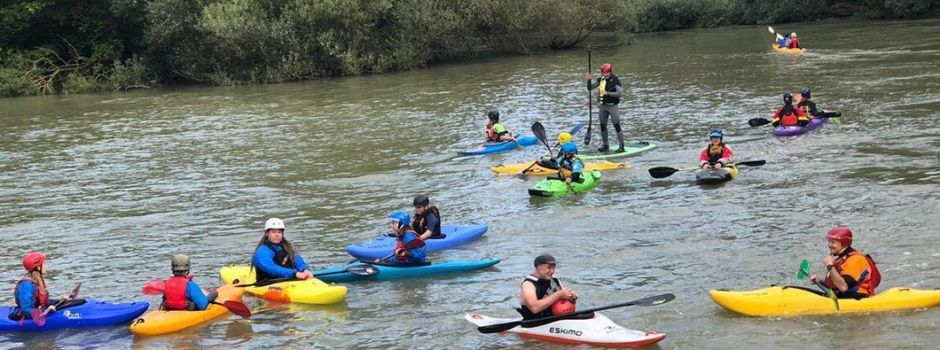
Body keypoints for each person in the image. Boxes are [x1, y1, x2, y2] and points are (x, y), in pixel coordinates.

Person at [810, 227, 881, 298]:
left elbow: (843, 287)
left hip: (856, 299)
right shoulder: (842, 258)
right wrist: (820, 281)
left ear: (843, 243)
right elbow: (835, 285)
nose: (829, 245)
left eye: (833, 242)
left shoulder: (855, 260)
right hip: (841, 297)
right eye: (829, 242)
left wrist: (830, 266)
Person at [10, 252, 73, 321]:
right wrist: (44, 311)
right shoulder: (26, 286)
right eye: (44, 264)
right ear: (38, 267)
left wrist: (60, 301)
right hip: (26, 316)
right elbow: (26, 310)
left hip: (37, 310)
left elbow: (41, 302)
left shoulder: (37, 281)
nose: (46, 266)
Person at [251, 218, 314, 282]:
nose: (277, 235)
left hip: (291, 278)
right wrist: (294, 273)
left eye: (279, 232)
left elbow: (298, 260)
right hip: (269, 282)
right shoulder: (262, 251)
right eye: (273, 232)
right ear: (267, 233)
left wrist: (305, 269)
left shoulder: (289, 247)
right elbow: (271, 268)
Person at [518, 254, 579, 320]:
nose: (552, 271)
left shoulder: (555, 280)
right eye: (549, 267)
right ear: (538, 267)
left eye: (553, 268)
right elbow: (535, 308)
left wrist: (572, 299)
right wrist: (558, 294)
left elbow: (564, 302)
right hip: (535, 322)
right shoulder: (528, 285)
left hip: (555, 320)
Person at [585, 63, 625, 153]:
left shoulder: (615, 80)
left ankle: (622, 147)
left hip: (613, 106)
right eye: (603, 73)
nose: (605, 74)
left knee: (616, 125)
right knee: (603, 126)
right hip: (603, 106)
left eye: (606, 73)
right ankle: (605, 145)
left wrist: (607, 93)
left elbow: (619, 93)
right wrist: (589, 80)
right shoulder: (600, 80)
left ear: (610, 72)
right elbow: (589, 88)